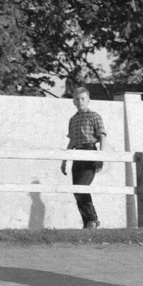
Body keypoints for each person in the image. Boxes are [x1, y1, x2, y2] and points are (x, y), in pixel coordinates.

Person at [60, 85, 106, 229]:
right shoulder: (73, 119)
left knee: (82, 187)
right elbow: (72, 141)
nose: (80, 101)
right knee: (76, 189)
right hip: (76, 154)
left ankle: (93, 219)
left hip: (90, 152)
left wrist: (100, 157)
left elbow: (102, 136)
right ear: (73, 101)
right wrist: (64, 160)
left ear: (88, 100)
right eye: (77, 99)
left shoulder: (94, 116)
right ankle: (87, 223)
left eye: (83, 99)